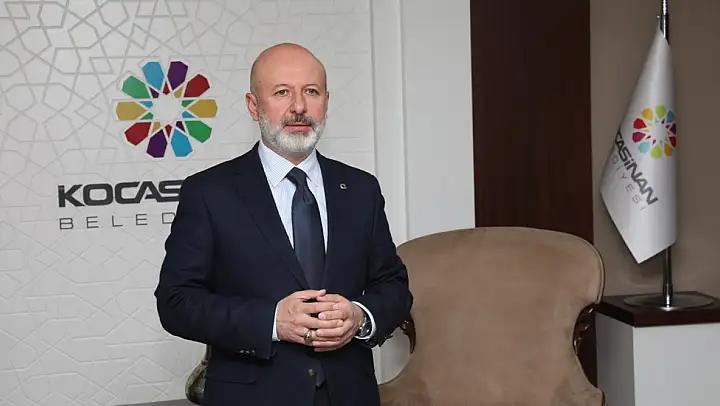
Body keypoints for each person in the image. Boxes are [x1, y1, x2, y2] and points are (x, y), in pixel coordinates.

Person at [154, 43, 413, 406]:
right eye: (282, 92)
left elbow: (393, 286)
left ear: (326, 102)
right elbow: (176, 302)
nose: (299, 107)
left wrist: (360, 316)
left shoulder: (360, 189)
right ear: (253, 106)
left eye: (312, 91)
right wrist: (273, 321)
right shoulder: (209, 192)